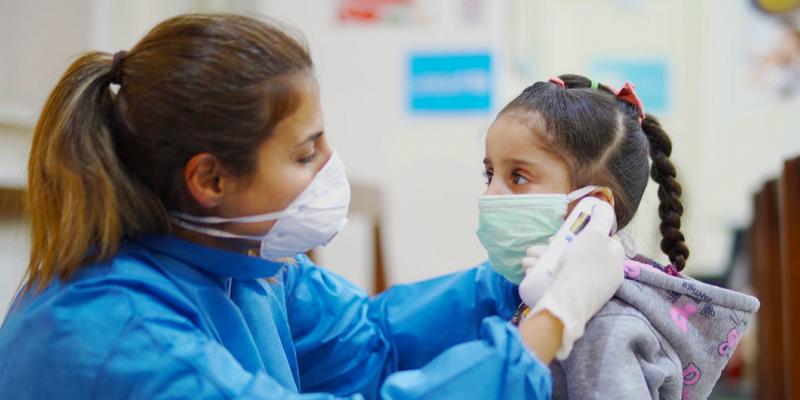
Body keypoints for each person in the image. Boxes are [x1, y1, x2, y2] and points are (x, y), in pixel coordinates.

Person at [0, 15, 624, 399]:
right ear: (209, 180)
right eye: (304, 154)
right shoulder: (112, 331)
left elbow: (374, 342)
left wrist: (522, 273)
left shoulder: (240, 267)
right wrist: (552, 323)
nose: (330, 167)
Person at [477, 74, 760, 399]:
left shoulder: (606, 327)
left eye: (518, 176)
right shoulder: (528, 300)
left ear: (591, 209)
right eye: (489, 173)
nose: (490, 194)